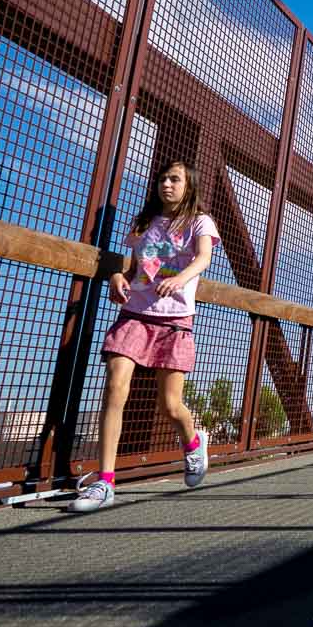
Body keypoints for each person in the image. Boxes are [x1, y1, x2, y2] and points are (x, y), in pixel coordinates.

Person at [70, 161, 219, 513]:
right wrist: (117, 278)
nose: (166, 184)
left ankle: (194, 442)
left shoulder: (200, 221)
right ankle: (105, 482)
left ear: (189, 185)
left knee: (170, 405)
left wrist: (181, 279)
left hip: (175, 320)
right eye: (162, 179)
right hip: (135, 314)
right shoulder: (143, 224)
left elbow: (204, 258)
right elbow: (134, 267)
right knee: (114, 388)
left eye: (174, 179)